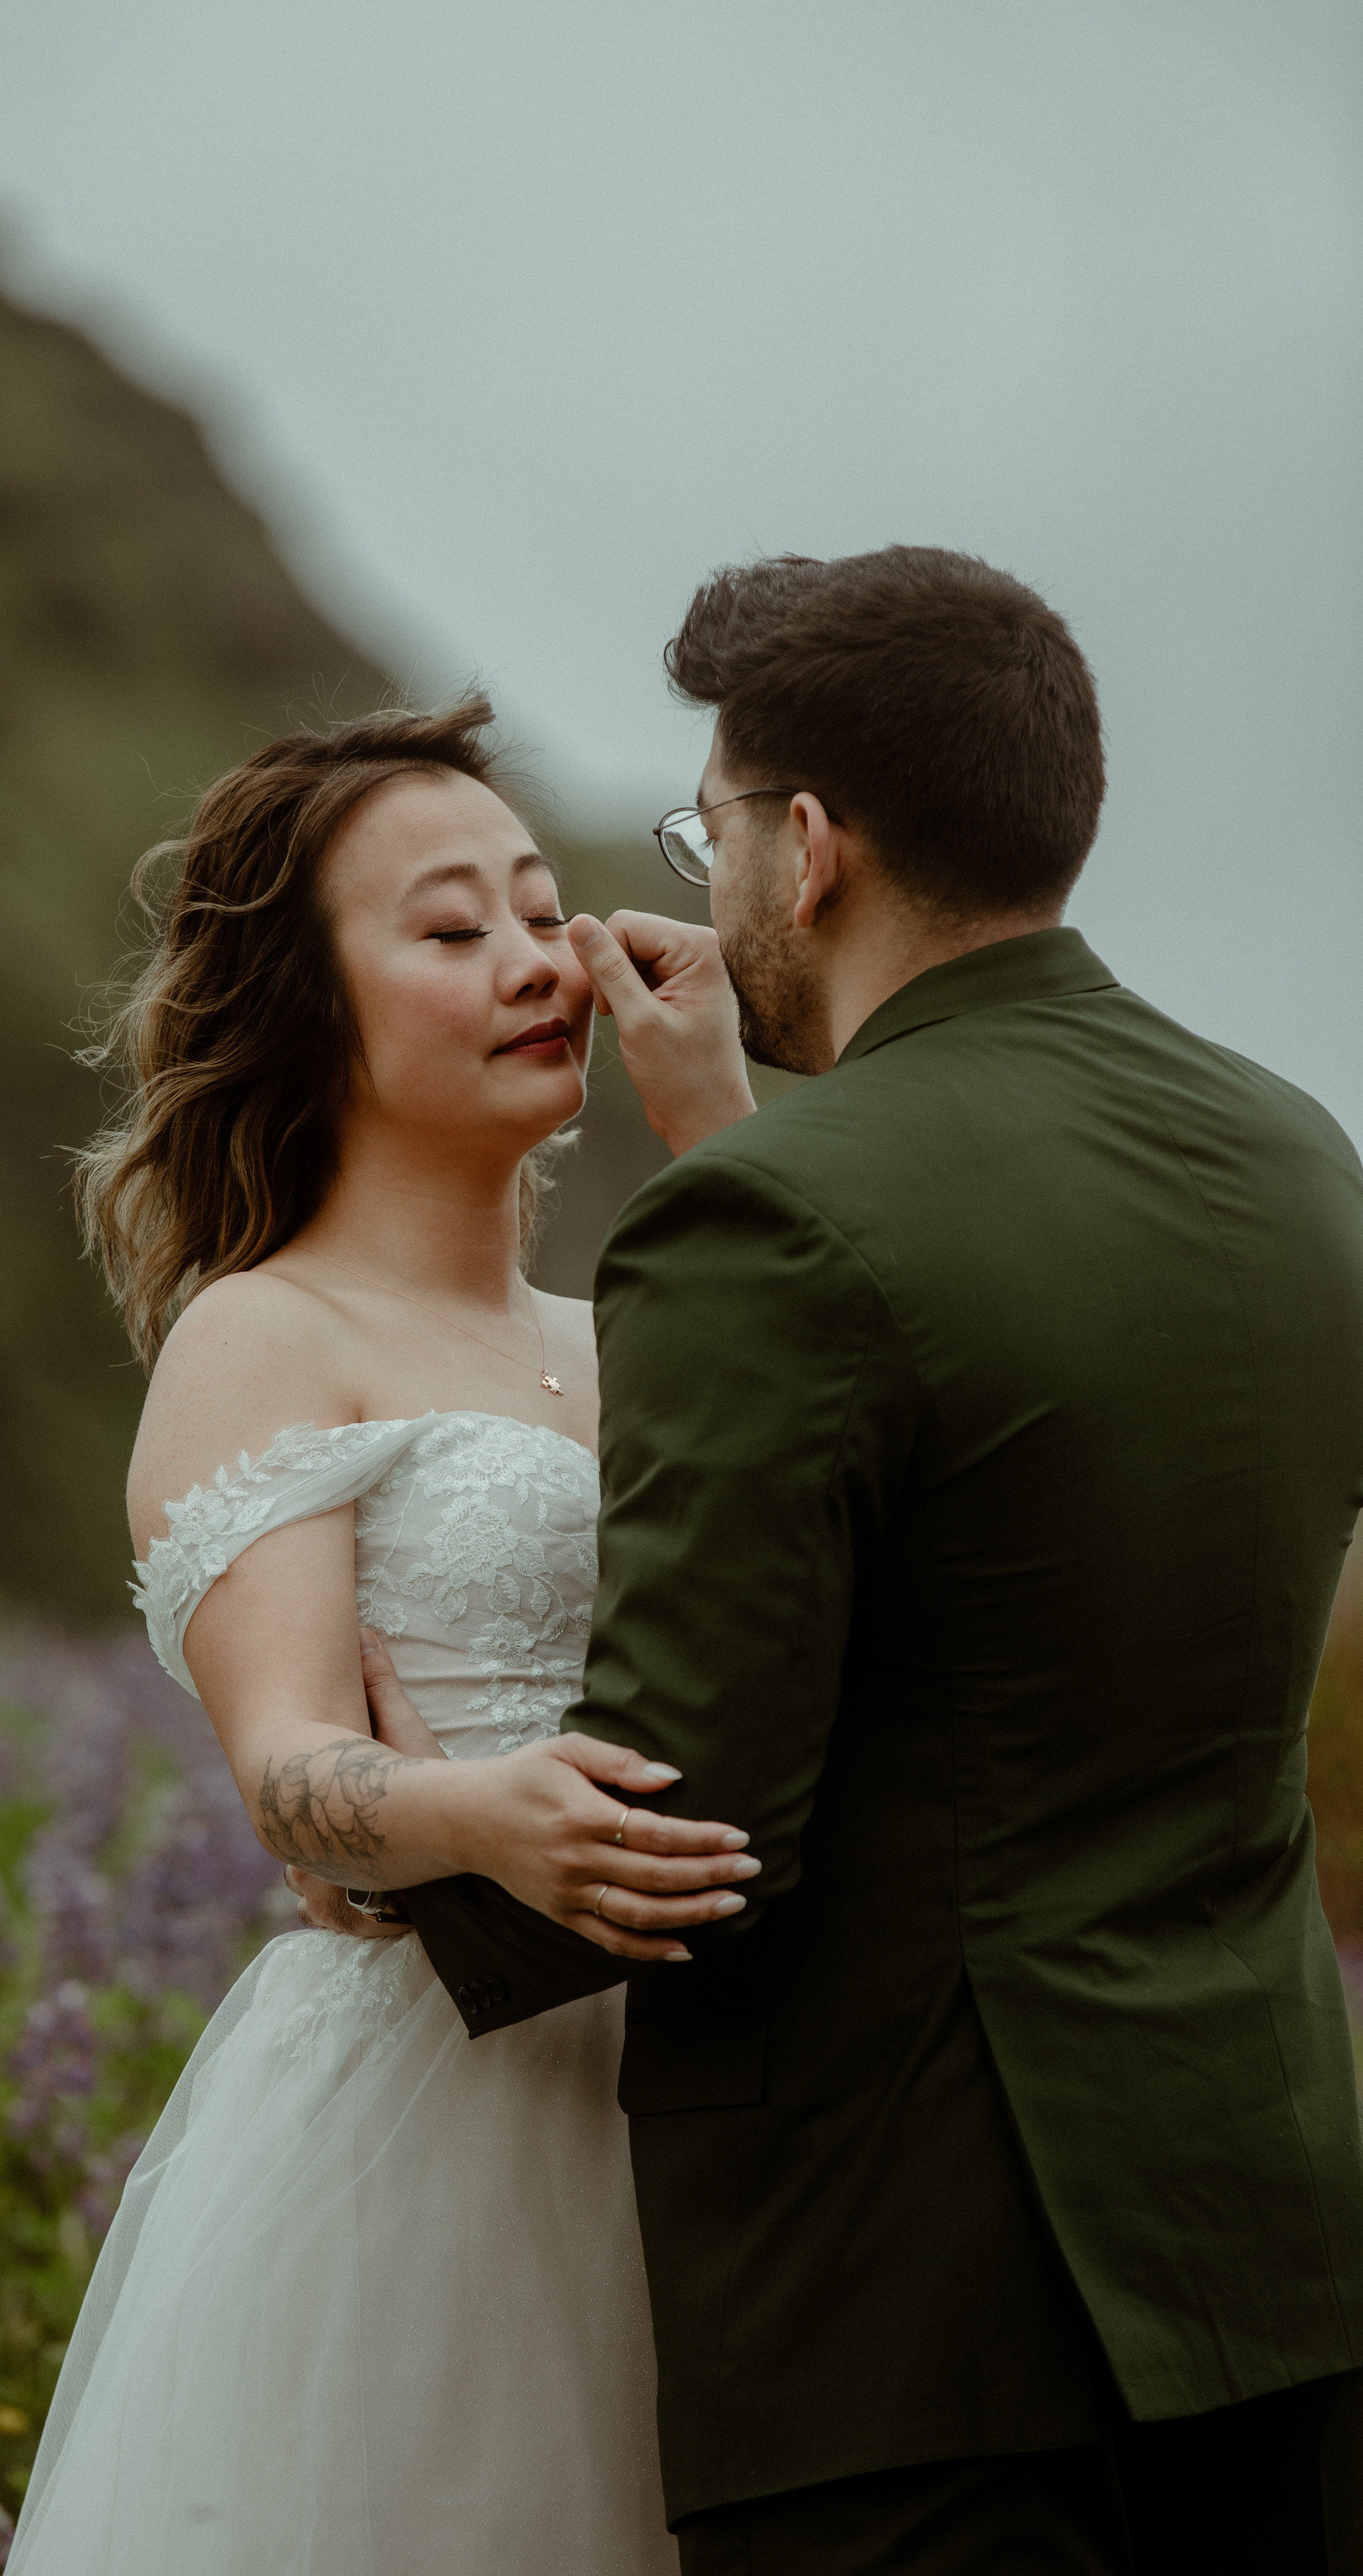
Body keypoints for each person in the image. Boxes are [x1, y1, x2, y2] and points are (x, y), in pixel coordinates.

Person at [372, 547, 1363, 2573]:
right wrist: (753, 1139)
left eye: (712, 826)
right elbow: (1021, 1513)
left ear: (805, 849)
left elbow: (698, 1813)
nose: (709, 868)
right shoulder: (1298, 1162)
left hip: (904, 2322)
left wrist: (385, 1876)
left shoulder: (768, 1229)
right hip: (1272, 2272)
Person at [7, 700, 757, 2576]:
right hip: (434, 2123)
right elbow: (289, 1778)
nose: (532, 962)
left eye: (535, 909)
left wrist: (731, 1141)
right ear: (309, 1003)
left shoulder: (647, 1321)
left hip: (719, 2111)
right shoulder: (265, 1333)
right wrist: (478, 1813)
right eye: (447, 931)